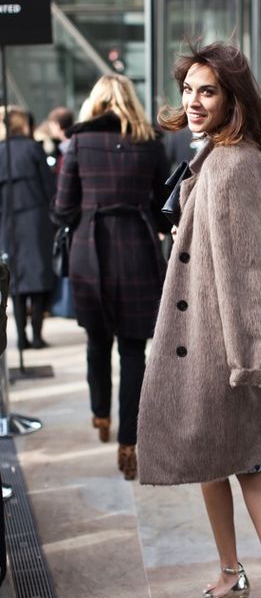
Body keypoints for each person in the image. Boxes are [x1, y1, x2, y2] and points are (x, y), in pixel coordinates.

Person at [137, 42, 261, 598]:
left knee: (228, 461)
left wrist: (247, 360)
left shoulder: (231, 164)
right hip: (223, 340)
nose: (194, 101)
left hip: (223, 349)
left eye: (207, 90)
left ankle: (254, 575)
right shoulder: (238, 154)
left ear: (232, 97)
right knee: (233, 462)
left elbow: (246, 272)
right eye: (188, 90)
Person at [54, 75, 170, 480]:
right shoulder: (151, 143)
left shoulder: (80, 143)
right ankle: (129, 443)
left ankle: (100, 414)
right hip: (138, 249)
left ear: (95, 102)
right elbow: (164, 206)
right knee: (134, 350)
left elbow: (63, 208)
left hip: (92, 251)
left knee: (96, 339)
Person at [0, 105, 56, 349]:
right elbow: (49, 186)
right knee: (39, 275)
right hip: (36, 218)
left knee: (17, 278)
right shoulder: (34, 149)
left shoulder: (1, 151)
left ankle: (21, 337)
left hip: (8, 219)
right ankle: (36, 335)